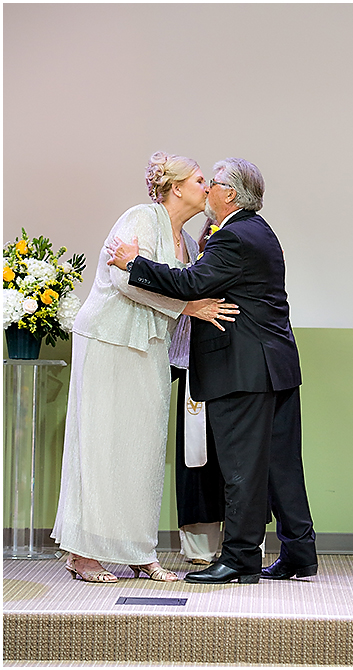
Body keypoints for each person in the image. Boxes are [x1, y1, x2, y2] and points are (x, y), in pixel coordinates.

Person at [108, 157, 317, 585]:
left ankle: (240, 559)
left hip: (243, 369)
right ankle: (300, 552)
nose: (208, 190)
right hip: (274, 366)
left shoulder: (233, 237)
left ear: (231, 195)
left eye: (214, 183)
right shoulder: (260, 231)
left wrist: (134, 262)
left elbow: (190, 285)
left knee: (240, 466)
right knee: (280, 464)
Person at [51, 152, 238, 583]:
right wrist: (190, 305)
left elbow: (163, 280)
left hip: (151, 346)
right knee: (99, 443)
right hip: (108, 339)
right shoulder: (140, 217)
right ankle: (84, 553)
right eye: (198, 179)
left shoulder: (190, 242)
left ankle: (138, 549)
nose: (206, 186)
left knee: (144, 449)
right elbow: (125, 279)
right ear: (176, 188)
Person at [172, 217, 225, 566]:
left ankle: (241, 541)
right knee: (198, 461)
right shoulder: (191, 282)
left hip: (233, 379)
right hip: (195, 373)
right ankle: (200, 547)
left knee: (233, 461)